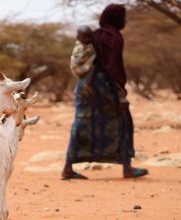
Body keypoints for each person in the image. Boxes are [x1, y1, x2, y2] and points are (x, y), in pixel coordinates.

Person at [62, 4, 149, 179]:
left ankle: (68, 167)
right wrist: (120, 93)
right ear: (115, 19)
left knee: (82, 123)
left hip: (84, 87)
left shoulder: (94, 35)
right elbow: (113, 67)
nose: (124, 21)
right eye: (122, 18)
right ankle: (127, 167)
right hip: (105, 86)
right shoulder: (113, 37)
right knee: (122, 122)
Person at [70, 25, 96, 95]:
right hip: (77, 68)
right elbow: (79, 59)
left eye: (89, 37)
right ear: (78, 38)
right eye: (84, 37)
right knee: (94, 66)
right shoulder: (80, 47)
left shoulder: (86, 45)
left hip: (80, 68)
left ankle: (78, 88)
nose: (87, 39)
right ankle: (88, 84)